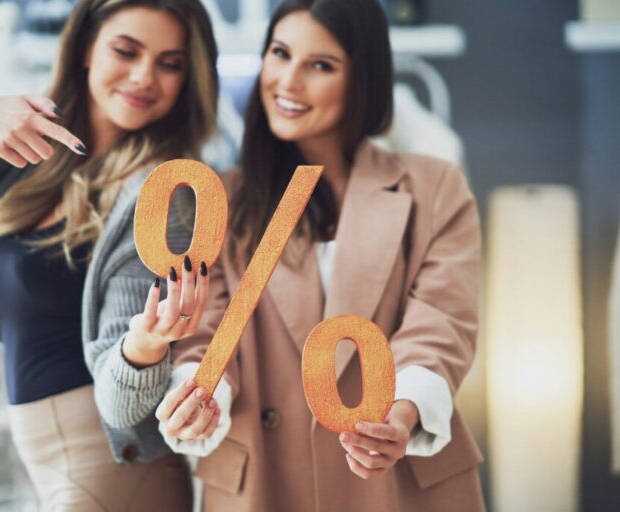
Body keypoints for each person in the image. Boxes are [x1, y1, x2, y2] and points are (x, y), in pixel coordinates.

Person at [151, 0, 486, 510]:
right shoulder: (222, 200)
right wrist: (198, 397)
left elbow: (441, 322)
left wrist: (399, 414)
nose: (288, 81)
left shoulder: (434, 187)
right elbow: (211, 335)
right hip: (265, 476)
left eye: (321, 66)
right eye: (280, 54)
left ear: (362, 79)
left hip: (399, 480)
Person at [0, 0, 219, 510]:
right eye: (126, 50)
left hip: (109, 465)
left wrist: (145, 345)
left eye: (170, 63)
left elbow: (125, 408)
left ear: (189, 77)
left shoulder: (165, 193)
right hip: (49, 457)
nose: (143, 76)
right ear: (87, 48)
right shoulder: (35, 151)